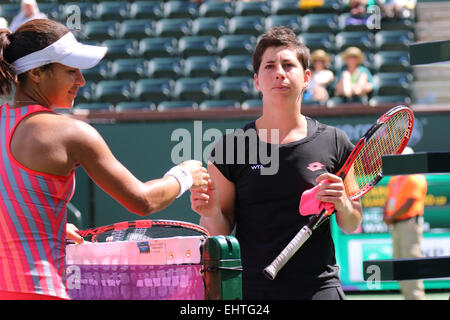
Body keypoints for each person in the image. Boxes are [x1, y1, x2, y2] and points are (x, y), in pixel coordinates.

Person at [0, 19, 209, 300]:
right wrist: (184, 175)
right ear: (37, 73)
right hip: (39, 290)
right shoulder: (72, 132)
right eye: (71, 71)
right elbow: (143, 200)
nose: (81, 81)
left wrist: (42, 225)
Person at [190, 26, 362, 300]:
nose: (279, 72)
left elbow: (352, 223)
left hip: (320, 288)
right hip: (253, 290)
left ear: (307, 77)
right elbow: (220, 230)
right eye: (270, 66)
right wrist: (210, 212)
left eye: (288, 65)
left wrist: (342, 203)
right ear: (257, 81)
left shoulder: (335, 141)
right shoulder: (229, 148)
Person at [382, 146, 427, 300]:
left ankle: (416, 297)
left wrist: (391, 216)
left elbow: (409, 202)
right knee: (400, 263)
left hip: (409, 224)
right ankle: (408, 296)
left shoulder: (415, 177)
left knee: (411, 260)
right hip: (397, 224)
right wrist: (386, 214)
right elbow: (389, 200)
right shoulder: (395, 178)